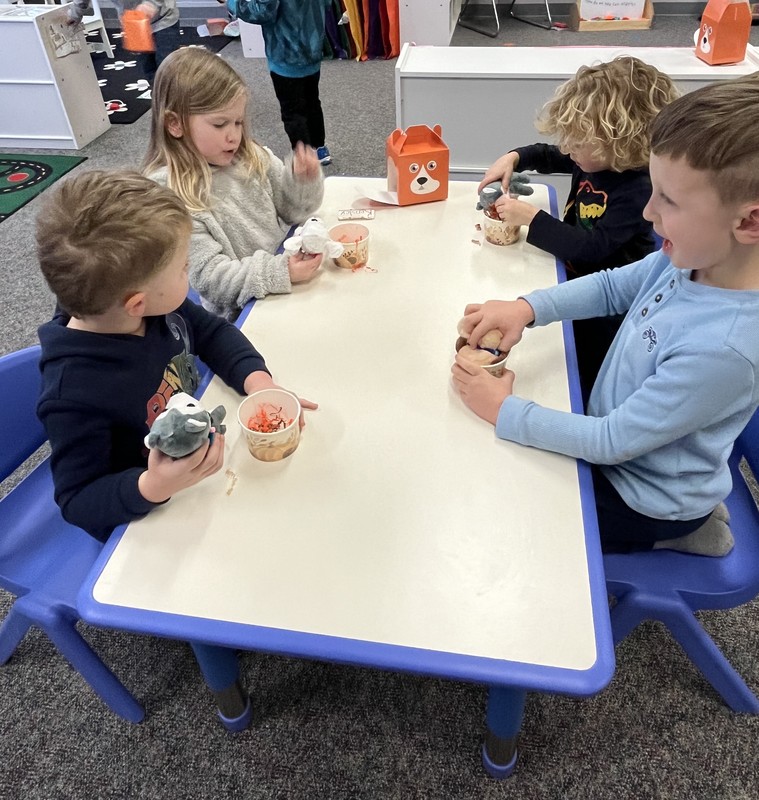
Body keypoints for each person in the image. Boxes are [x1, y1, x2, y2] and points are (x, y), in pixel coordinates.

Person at [35, 169, 316, 730]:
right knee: (239, 577)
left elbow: (210, 332)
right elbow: (78, 499)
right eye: (184, 268)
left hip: (199, 467)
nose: (191, 277)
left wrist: (255, 379)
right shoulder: (74, 392)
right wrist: (152, 486)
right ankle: (225, 678)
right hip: (143, 513)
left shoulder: (156, 309)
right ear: (137, 301)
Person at [453, 75, 759, 555]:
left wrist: (505, 410)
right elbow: (615, 285)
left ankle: (680, 528)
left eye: (669, 201)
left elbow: (611, 441)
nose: (648, 213)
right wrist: (527, 307)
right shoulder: (693, 259)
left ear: (748, 222)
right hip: (635, 450)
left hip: (638, 494)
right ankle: (692, 511)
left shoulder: (724, 350)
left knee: (509, 509)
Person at [479, 57, 680, 401]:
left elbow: (590, 248)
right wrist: (513, 157)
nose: (567, 148)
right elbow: (547, 154)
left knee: (578, 373)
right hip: (574, 279)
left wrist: (530, 217)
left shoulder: (637, 188)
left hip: (607, 310)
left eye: (577, 141)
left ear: (618, 142)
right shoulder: (592, 156)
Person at [143, 46, 325, 321]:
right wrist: (279, 272)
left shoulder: (251, 156)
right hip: (244, 317)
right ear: (174, 124)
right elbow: (210, 278)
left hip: (288, 283)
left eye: (238, 122)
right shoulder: (169, 195)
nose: (234, 136)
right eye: (220, 125)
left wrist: (302, 180)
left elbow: (294, 212)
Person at [234, 0, 332, 165]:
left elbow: (262, 12)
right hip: (312, 47)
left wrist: (233, 3)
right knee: (312, 101)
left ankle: (304, 155)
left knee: (292, 110)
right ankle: (320, 148)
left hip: (285, 54)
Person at [67, 0, 181, 84]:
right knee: (148, 68)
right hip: (133, 22)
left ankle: (175, 103)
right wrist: (74, 15)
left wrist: (151, 3)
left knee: (167, 68)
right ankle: (160, 101)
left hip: (164, 19)